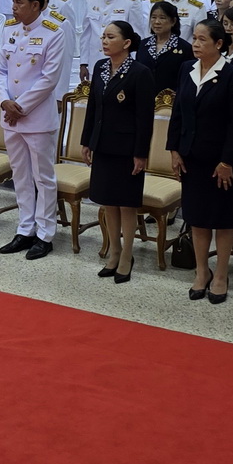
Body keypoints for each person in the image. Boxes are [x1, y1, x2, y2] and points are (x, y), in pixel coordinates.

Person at [168, 18, 233, 303]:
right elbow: (178, 112)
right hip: (192, 157)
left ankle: (222, 275)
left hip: (220, 162)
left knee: (223, 220)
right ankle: (202, 272)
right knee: (198, 218)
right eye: (195, 38)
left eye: (203, 39)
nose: (196, 44)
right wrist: (174, 149)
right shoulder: (186, 69)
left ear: (219, 44)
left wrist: (227, 161)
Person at [0, 0, 70, 260]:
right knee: (20, 176)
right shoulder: (9, 29)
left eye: (19, 3)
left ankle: (45, 234)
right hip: (9, 115)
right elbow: (0, 70)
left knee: (43, 177)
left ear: (36, 5)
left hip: (36, 118)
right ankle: (25, 228)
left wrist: (19, 107)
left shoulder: (54, 32)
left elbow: (49, 79)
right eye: (13, 1)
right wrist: (4, 101)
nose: (13, 7)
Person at [79, 20, 156, 283]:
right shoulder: (100, 67)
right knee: (108, 201)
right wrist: (87, 140)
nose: (104, 41)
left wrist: (140, 153)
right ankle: (114, 250)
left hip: (126, 148)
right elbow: (93, 107)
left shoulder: (140, 72)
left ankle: (127, 256)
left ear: (126, 43)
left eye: (110, 37)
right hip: (103, 145)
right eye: (103, 36)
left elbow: (145, 118)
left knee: (127, 204)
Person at [136, 0, 193, 95]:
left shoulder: (184, 48)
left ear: (173, 21)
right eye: (153, 17)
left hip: (170, 102)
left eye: (162, 18)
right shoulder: (143, 45)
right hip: (144, 98)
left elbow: (186, 80)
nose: (157, 22)